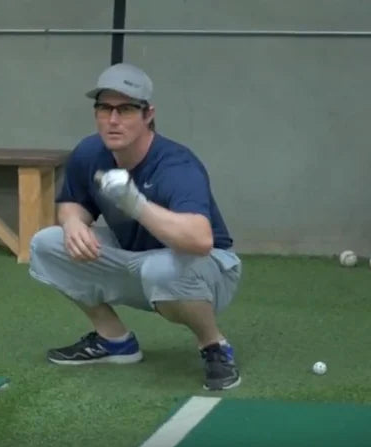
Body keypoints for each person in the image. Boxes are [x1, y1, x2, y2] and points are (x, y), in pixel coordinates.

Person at [27, 63, 243, 391]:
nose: (113, 120)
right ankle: (114, 340)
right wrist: (72, 223)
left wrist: (135, 204)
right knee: (48, 243)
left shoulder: (176, 164)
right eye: (105, 108)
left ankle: (214, 345)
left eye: (126, 109)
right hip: (136, 260)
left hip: (206, 272)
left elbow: (200, 240)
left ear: (148, 114)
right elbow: (71, 202)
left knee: (160, 268)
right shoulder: (90, 152)